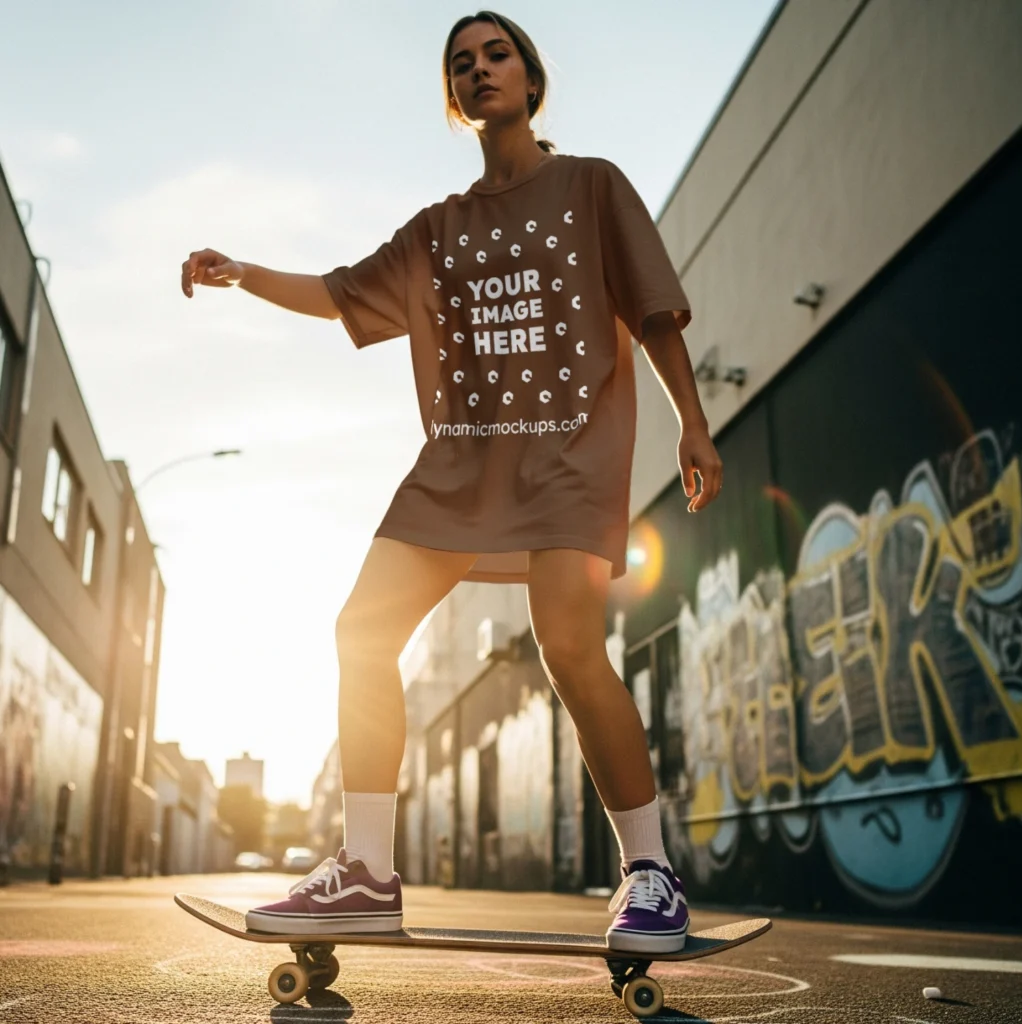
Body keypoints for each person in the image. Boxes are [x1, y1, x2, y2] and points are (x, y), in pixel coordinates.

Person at [180, 10, 722, 955]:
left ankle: (650, 874)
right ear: (453, 96)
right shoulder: (441, 228)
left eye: (496, 55)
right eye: (461, 64)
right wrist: (243, 273)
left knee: (567, 644)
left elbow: (654, 308)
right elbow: (341, 292)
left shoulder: (592, 187)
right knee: (360, 628)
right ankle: (367, 872)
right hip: (461, 465)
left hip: (564, 451)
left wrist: (693, 423)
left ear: (530, 77)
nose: (480, 71)